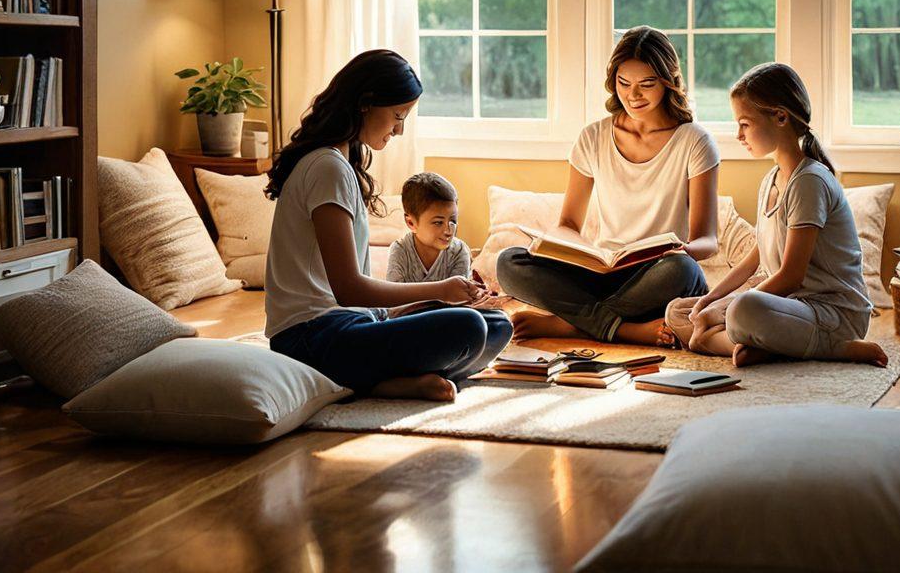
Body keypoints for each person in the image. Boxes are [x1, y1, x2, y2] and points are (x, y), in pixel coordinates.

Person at [264, 49, 512, 402]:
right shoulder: (326, 168)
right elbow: (348, 290)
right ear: (365, 103)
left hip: (350, 325)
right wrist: (439, 290)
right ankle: (372, 384)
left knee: (496, 325)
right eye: (397, 115)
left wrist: (412, 309)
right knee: (468, 327)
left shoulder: (339, 164)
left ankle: (378, 382)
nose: (399, 129)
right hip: (310, 339)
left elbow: (354, 302)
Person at [497, 26, 718, 345]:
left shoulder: (695, 141)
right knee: (509, 262)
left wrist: (682, 249)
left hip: (656, 276)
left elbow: (707, 240)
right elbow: (569, 223)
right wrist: (560, 248)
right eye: (624, 83)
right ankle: (622, 328)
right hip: (603, 275)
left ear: (668, 82)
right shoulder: (593, 137)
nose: (633, 95)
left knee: (684, 270)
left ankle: (573, 325)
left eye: (647, 84)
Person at [666, 62, 887, 367]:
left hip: (831, 314)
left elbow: (791, 276)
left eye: (745, 124)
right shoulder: (771, 180)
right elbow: (754, 257)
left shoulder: (809, 181)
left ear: (781, 117)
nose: (738, 134)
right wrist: (710, 298)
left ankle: (837, 348)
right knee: (677, 312)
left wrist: (725, 308)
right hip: (789, 308)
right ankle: (759, 347)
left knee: (744, 308)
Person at [387, 172, 471, 283]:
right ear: (411, 223)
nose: (448, 230)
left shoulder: (459, 251)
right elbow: (394, 295)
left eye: (453, 221)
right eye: (438, 222)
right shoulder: (400, 250)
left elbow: (459, 296)